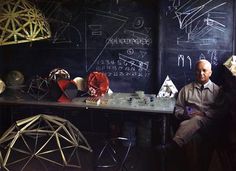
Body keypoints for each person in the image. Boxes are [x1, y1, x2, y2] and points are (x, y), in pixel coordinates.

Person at [170, 59, 220, 149]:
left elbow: (220, 111)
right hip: (190, 122)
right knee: (186, 127)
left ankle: (174, 145)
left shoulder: (218, 91)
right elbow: (178, 108)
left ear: (210, 73)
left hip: (209, 124)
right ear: (195, 72)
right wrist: (184, 114)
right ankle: (191, 162)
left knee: (196, 119)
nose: (201, 73)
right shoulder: (186, 89)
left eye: (204, 70)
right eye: (198, 70)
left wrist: (204, 114)